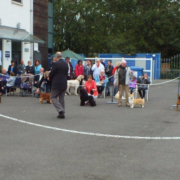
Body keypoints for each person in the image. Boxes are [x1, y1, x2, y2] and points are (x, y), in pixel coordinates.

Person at [49, 52, 68, 119]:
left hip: (56, 83)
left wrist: (50, 78)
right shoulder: (66, 64)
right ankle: (62, 113)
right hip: (64, 83)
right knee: (61, 98)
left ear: (56, 57)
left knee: (53, 97)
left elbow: (52, 73)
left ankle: (60, 110)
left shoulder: (55, 64)